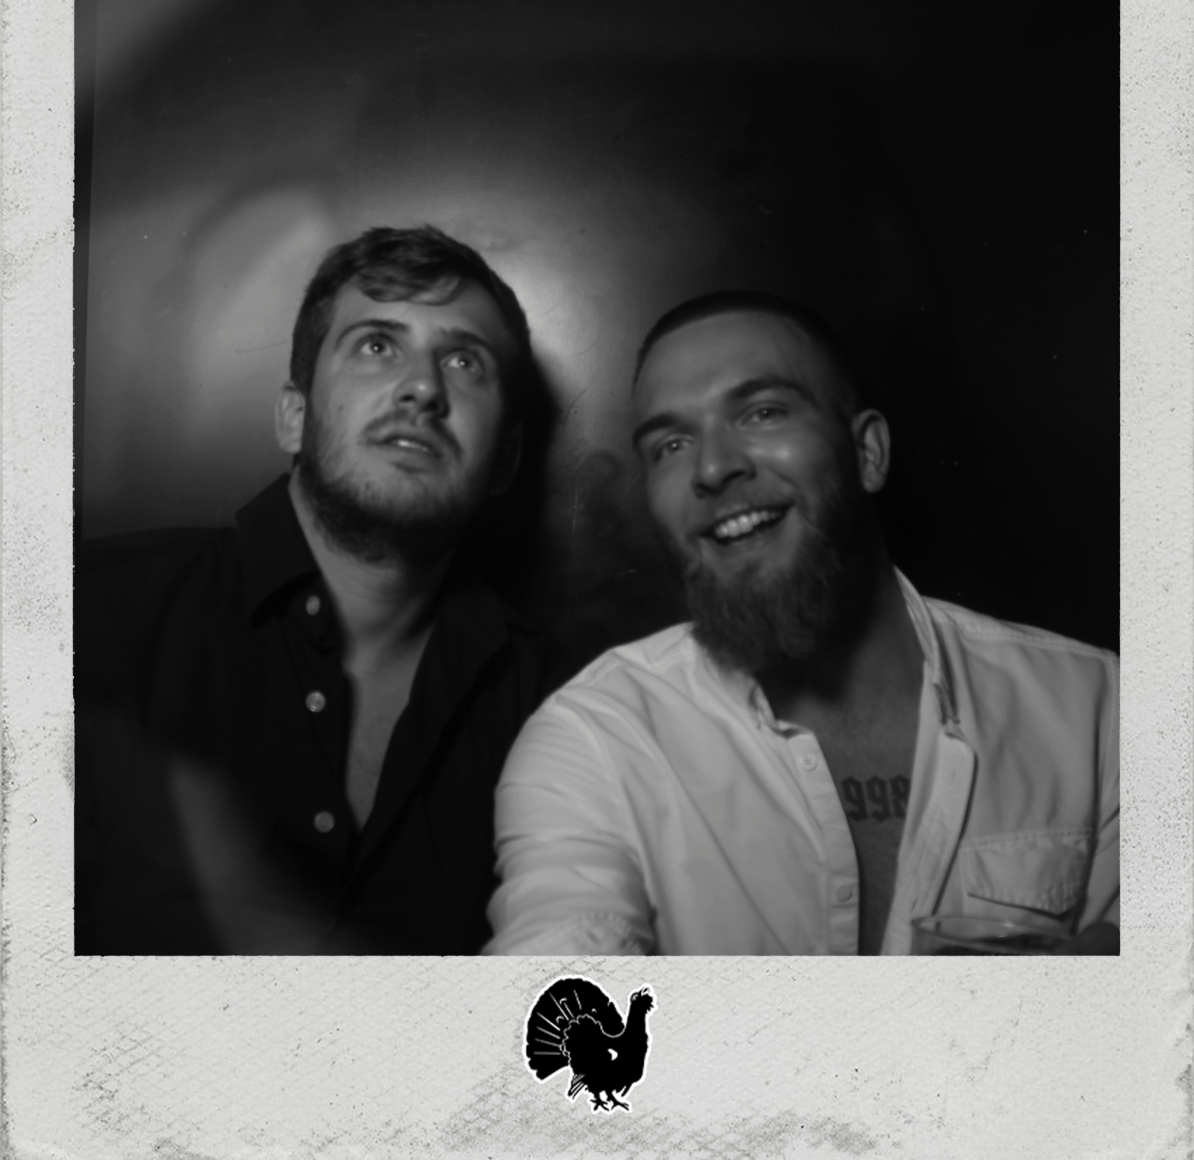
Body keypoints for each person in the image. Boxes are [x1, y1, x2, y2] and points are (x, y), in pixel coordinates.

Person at [485, 291, 1119, 956]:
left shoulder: (1100, 709)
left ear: (868, 452)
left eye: (763, 412)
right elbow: (553, 980)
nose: (712, 468)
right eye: (671, 444)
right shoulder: (596, 738)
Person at [76, 225, 566, 955]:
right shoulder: (83, 623)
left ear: (506, 459)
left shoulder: (557, 706)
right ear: (294, 416)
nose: (424, 388)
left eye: (465, 361)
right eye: (377, 345)